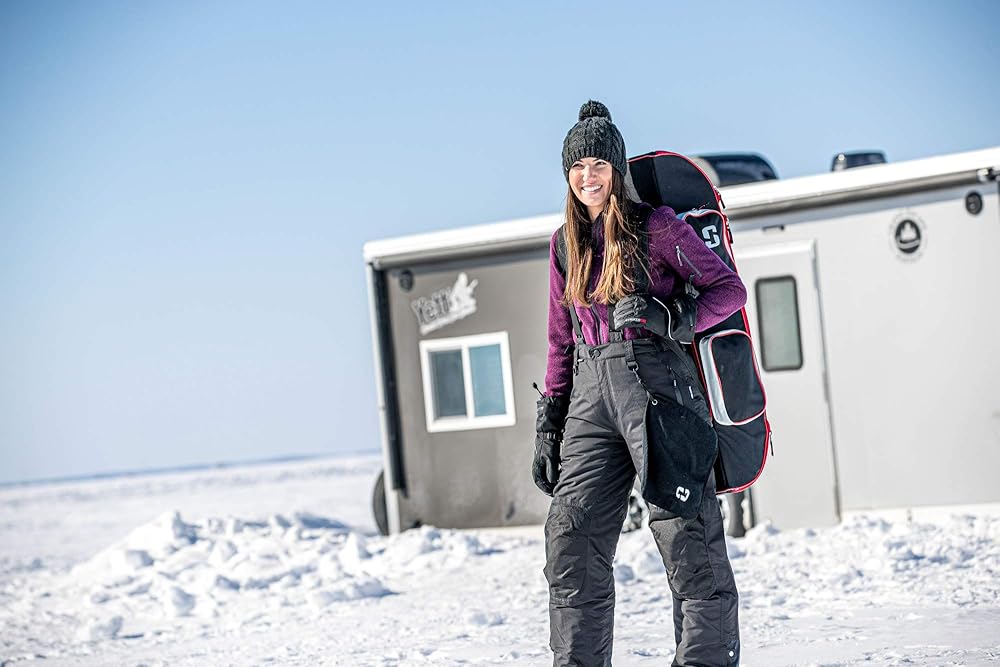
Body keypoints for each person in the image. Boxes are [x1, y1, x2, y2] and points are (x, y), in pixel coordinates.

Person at [533, 100, 748, 666]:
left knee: (686, 536)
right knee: (571, 538)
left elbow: (729, 290)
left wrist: (670, 317)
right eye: (578, 167)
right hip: (589, 396)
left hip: (658, 386)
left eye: (599, 164)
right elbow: (560, 340)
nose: (588, 177)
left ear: (617, 168)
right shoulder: (564, 244)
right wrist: (550, 421)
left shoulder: (657, 227)